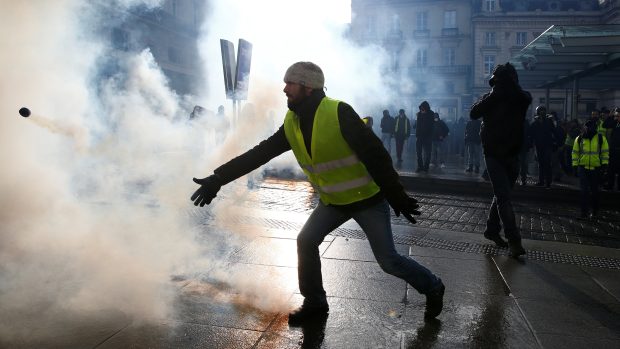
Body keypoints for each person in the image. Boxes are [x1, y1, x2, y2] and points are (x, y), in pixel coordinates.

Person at [190, 61, 445, 325]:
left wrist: (396, 195)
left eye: (290, 83)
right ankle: (315, 302)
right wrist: (218, 178)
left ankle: (433, 286)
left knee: (389, 261)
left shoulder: (339, 112)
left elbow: (377, 155)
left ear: (308, 87)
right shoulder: (293, 121)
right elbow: (261, 153)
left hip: (367, 200)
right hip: (334, 201)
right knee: (306, 240)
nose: (285, 89)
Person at [470, 62, 532, 258]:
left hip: (508, 153)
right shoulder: (504, 98)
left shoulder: (515, 98)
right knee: (503, 196)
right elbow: (473, 114)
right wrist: (497, 92)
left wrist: (496, 91)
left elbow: (475, 112)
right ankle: (514, 240)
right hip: (497, 154)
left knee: (501, 195)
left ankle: (492, 229)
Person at [572, 119, 609, 219]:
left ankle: (595, 211)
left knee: (595, 192)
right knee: (584, 192)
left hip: (596, 169)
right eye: (587, 126)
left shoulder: (601, 138)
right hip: (583, 168)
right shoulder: (579, 138)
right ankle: (584, 212)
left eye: (591, 127)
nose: (589, 128)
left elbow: (605, 153)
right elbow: (575, 153)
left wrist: (604, 166)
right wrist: (575, 166)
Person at [529, 105, 554, 188]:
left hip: (547, 145)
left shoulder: (549, 121)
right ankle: (541, 181)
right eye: (540, 111)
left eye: (543, 110)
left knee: (547, 163)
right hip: (539, 146)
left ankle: (548, 182)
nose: (542, 112)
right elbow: (531, 134)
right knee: (541, 164)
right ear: (538, 112)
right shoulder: (535, 122)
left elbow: (553, 131)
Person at [415, 101, 435, 172]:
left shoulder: (431, 113)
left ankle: (426, 167)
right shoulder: (419, 114)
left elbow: (431, 124)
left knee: (428, 153)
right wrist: (417, 134)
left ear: (426, 107)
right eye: (421, 107)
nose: (422, 109)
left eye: (423, 107)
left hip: (428, 136)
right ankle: (420, 166)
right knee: (418, 152)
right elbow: (417, 125)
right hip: (419, 136)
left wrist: (424, 115)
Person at [604, 108, 620, 190]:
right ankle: (610, 184)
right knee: (611, 169)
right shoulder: (615, 123)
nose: (616, 117)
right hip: (613, 150)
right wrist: (610, 117)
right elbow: (605, 125)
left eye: (618, 116)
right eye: (616, 116)